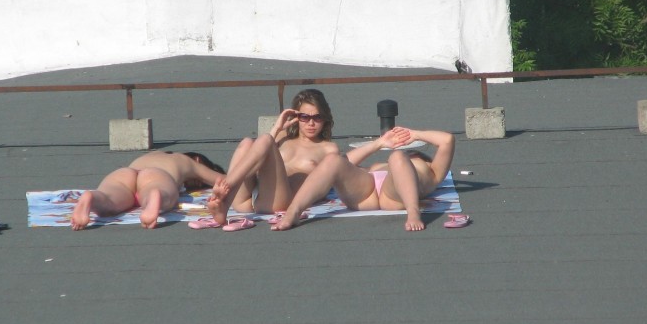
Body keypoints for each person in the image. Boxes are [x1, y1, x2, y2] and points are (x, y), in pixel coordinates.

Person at [271, 128, 456, 232]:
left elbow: (447, 139)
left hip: (395, 195)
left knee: (398, 157)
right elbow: (344, 163)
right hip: (365, 193)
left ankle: (413, 212)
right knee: (333, 160)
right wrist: (378, 144)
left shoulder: (430, 170)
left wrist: (414, 135)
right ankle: (293, 212)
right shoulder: (378, 165)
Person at [203, 89, 340, 227]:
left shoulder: (328, 148)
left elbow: (327, 180)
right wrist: (277, 128)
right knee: (247, 143)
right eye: (304, 117)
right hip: (248, 200)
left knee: (265, 139)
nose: (311, 123)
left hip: (282, 201)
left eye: (317, 117)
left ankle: (225, 192)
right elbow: (258, 154)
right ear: (296, 117)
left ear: (325, 118)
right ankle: (225, 202)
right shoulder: (283, 137)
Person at [70, 151, 225, 230]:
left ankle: (92, 197)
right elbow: (222, 179)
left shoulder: (151, 154)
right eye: (196, 183)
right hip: (155, 176)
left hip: (125, 173)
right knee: (164, 194)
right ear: (197, 159)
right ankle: (156, 195)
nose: (194, 185)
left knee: (109, 201)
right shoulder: (187, 162)